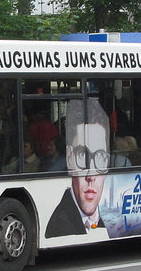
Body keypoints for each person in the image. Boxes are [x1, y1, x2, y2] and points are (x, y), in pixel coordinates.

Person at [46, 99, 109, 237]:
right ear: (69, 158)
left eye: (100, 157)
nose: (91, 176)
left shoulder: (109, 220)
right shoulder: (59, 226)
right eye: (82, 155)